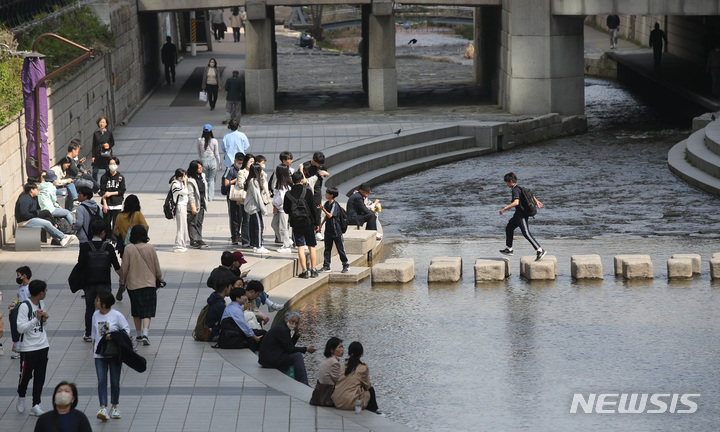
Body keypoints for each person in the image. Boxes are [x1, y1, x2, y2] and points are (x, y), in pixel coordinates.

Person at [119, 225, 162, 346]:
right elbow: (156, 266)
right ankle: (146, 333)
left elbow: (124, 268)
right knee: (148, 309)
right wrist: (159, 278)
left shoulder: (128, 249)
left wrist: (122, 281)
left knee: (136, 309)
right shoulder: (150, 248)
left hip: (133, 284)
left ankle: (138, 334)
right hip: (149, 283)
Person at [78, 220, 121, 343]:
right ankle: (103, 333)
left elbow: (80, 265)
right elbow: (117, 266)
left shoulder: (85, 246)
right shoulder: (108, 247)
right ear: (103, 232)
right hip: (104, 282)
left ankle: (88, 333)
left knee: (90, 308)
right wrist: (123, 279)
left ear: (92, 231)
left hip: (89, 283)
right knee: (104, 307)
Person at [91, 290, 130, 421]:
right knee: (101, 381)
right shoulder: (95, 315)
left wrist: (113, 336)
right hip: (100, 354)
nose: (96, 302)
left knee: (115, 380)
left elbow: (126, 330)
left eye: (98, 300)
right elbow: (93, 334)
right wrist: (95, 347)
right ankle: (103, 407)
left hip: (114, 353)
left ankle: (114, 406)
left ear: (104, 303)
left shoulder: (117, 315)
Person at [16, 280, 50, 416]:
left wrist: (44, 319)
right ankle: (21, 397)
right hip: (28, 348)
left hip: (43, 345)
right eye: (45, 291)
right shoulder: (25, 306)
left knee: (40, 377)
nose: (45, 293)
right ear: (41, 292)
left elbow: (42, 326)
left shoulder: (41, 304)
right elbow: (20, 328)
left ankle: (36, 404)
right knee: (25, 376)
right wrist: (36, 319)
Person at [257, 311, 316, 385]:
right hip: (270, 359)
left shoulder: (283, 326)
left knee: (296, 355)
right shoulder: (282, 329)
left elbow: (289, 345)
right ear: (286, 319)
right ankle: (303, 383)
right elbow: (290, 348)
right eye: (292, 321)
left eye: (296, 323)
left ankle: (302, 382)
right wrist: (306, 349)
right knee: (297, 356)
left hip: (270, 357)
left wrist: (296, 334)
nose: (294, 324)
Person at [499, 172, 546, 261]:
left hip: (522, 215)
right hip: (517, 215)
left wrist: (504, 209)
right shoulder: (519, 188)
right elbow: (530, 194)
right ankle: (509, 249)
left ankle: (540, 250)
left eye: (507, 182)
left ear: (511, 181)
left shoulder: (515, 190)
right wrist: (536, 201)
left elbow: (516, 202)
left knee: (526, 233)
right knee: (509, 227)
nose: (506, 184)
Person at [284, 171, 320, 278]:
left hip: (296, 223)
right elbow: (313, 208)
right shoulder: (307, 191)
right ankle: (313, 270)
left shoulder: (288, 194)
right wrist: (317, 223)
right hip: (308, 222)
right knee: (311, 246)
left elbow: (286, 210)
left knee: (300, 246)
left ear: (293, 181)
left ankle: (304, 271)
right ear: (301, 180)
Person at [14, 183, 73, 247]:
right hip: (25, 222)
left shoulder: (33, 198)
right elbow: (24, 214)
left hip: (30, 219)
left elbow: (37, 209)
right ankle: (63, 237)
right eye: (36, 189)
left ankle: (59, 240)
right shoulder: (25, 199)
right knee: (46, 223)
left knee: (47, 221)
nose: (37, 191)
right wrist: (35, 216)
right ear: (31, 190)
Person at [331, 341, 380, 413]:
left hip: (337, 402)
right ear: (360, 354)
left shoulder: (343, 366)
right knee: (369, 391)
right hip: (349, 403)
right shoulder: (362, 368)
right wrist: (367, 371)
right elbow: (367, 386)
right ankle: (374, 410)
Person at [319, 187, 349, 273]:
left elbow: (330, 215)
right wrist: (321, 224)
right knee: (327, 249)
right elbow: (326, 216)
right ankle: (326, 266)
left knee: (340, 248)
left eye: (327, 193)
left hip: (336, 231)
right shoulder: (326, 204)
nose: (325, 194)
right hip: (328, 230)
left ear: (331, 195)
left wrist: (323, 209)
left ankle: (345, 265)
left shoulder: (335, 205)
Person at [244, 163, 270, 254]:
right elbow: (257, 196)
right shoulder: (254, 181)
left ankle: (256, 245)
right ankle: (258, 246)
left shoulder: (252, 180)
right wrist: (264, 209)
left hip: (253, 207)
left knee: (256, 226)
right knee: (259, 227)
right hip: (254, 207)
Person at [113, 194, 148, 259]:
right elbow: (145, 227)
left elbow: (115, 230)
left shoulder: (120, 216)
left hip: (124, 246)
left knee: (126, 265)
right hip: (137, 245)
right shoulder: (138, 214)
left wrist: (124, 235)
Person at [100, 156, 126, 242]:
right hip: (107, 204)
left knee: (116, 223)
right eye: (111, 164)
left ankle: (115, 240)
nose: (112, 166)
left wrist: (111, 193)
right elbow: (102, 191)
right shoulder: (104, 177)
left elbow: (122, 190)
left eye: (114, 164)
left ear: (117, 165)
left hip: (117, 203)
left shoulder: (120, 177)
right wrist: (105, 204)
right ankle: (107, 238)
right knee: (106, 223)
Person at [8, 266, 32, 359]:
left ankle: (25, 348)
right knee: (15, 326)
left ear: (24, 276)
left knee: (24, 329)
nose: (17, 277)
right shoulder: (20, 287)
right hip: (19, 309)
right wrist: (13, 304)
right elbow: (19, 298)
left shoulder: (30, 287)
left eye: (18, 275)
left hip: (26, 310)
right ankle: (16, 349)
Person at [196, 124, 222, 201]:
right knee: (211, 180)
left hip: (203, 160)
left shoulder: (199, 140)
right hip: (212, 160)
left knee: (205, 179)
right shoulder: (214, 141)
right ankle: (211, 197)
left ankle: (205, 196)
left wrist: (200, 160)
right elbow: (216, 153)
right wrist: (219, 164)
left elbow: (199, 152)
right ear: (211, 131)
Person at [187, 160, 209, 249]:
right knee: (193, 223)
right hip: (194, 205)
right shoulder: (190, 180)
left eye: (201, 167)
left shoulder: (202, 176)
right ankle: (193, 240)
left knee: (199, 222)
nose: (201, 169)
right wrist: (193, 207)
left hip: (202, 203)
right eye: (199, 168)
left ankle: (199, 238)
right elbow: (190, 195)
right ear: (194, 169)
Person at [271, 164, 293, 253]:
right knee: (274, 224)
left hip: (282, 209)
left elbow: (282, 198)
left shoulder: (284, 185)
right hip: (279, 208)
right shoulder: (280, 182)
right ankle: (287, 240)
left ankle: (287, 246)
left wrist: (275, 205)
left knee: (283, 227)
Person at [170, 169, 190, 252]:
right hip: (179, 206)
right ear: (180, 176)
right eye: (184, 176)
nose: (185, 177)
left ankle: (182, 244)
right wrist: (185, 182)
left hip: (183, 206)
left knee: (183, 226)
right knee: (180, 227)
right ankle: (178, 244)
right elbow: (185, 191)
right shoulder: (175, 184)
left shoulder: (179, 183)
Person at [91, 116, 114, 182]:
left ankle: (107, 184)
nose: (102, 124)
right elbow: (94, 145)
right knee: (95, 171)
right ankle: (95, 186)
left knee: (107, 170)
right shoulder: (96, 133)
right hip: (98, 154)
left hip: (106, 154)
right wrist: (93, 156)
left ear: (106, 124)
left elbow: (112, 142)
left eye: (103, 122)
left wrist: (108, 146)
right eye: (100, 122)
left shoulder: (109, 133)